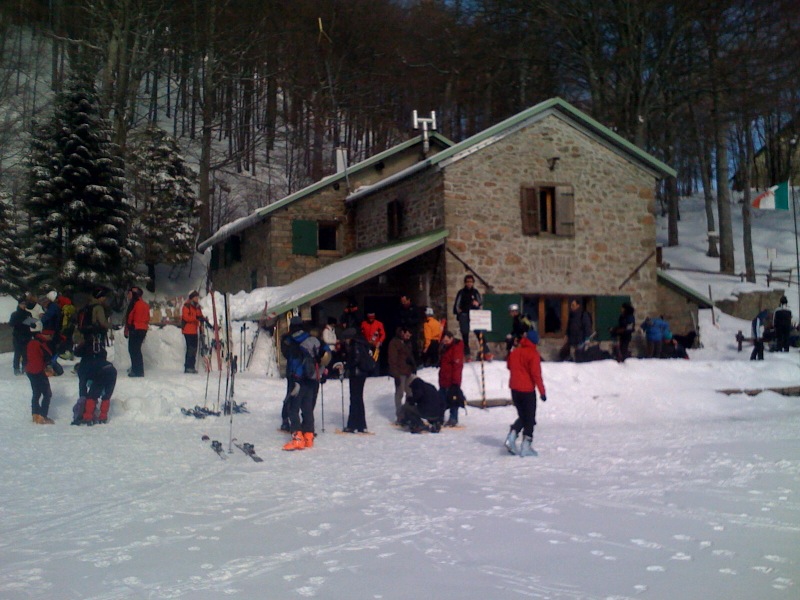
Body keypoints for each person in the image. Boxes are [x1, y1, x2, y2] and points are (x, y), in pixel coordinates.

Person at [282, 320, 328, 451]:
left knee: (293, 407)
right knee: (307, 408)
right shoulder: (313, 339)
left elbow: (291, 359)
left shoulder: (292, 340)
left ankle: (297, 438)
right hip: (312, 379)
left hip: (298, 378)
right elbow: (326, 354)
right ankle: (308, 437)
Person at [72, 287, 114, 425]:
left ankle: (81, 409)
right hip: (96, 343)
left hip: (86, 345)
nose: (105, 300)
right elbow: (102, 323)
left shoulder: (85, 308)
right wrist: (110, 326)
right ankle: (93, 412)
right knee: (99, 376)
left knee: (83, 378)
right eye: (104, 297)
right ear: (100, 297)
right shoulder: (98, 308)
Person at [505, 329, 546, 457]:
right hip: (527, 390)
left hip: (514, 389)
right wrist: (542, 392)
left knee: (523, 416)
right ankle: (526, 446)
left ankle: (512, 437)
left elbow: (509, 365)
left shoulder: (516, 351)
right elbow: (536, 374)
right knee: (529, 417)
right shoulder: (533, 354)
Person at [340, 327, 375, 433]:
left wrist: (346, 366)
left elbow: (355, 359)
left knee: (355, 399)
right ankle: (361, 425)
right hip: (362, 374)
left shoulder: (355, 345)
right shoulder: (362, 343)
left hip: (356, 374)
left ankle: (352, 425)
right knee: (358, 398)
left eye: (346, 338)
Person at [26, 329, 56, 424]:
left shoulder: (30, 341)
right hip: (39, 370)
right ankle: (43, 416)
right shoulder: (41, 343)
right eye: (50, 336)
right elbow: (48, 356)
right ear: (46, 335)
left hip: (29, 370)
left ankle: (35, 414)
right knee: (47, 394)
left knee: (36, 392)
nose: (51, 339)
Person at [388, 326, 416, 423]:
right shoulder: (394, 343)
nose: (409, 337)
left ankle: (409, 413)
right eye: (407, 334)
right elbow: (392, 360)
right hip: (399, 372)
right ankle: (400, 416)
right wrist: (395, 375)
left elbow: (410, 356)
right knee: (399, 394)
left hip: (408, 372)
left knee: (410, 393)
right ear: (402, 333)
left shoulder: (407, 342)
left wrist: (413, 367)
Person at [438, 330, 465, 427]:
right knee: (441, 400)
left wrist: (455, 382)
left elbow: (457, 366)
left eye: (446, 340)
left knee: (453, 399)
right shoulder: (445, 348)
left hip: (451, 380)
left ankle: (453, 418)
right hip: (444, 379)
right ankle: (439, 417)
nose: (445, 342)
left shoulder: (456, 348)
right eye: (443, 341)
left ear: (451, 338)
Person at [453, 274, 482, 359]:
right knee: (465, 335)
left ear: (473, 283)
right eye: (468, 282)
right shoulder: (461, 292)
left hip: (474, 315)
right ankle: (467, 355)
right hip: (464, 315)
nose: (469, 283)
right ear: (465, 283)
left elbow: (480, 302)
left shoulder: (475, 292)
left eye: (471, 282)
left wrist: (477, 304)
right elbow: (457, 305)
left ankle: (485, 351)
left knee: (479, 333)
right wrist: (459, 311)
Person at [124, 286, 150, 377]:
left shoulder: (134, 304)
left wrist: (127, 330)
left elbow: (129, 317)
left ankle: (137, 370)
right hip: (143, 329)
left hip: (135, 328)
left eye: (129, 293)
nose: (128, 296)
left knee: (133, 350)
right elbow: (147, 317)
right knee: (137, 349)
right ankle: (138, 369)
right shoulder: (145, 304)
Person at [181, 291, 208, 373]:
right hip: (188, 330)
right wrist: (196, 319)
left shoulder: (197, 307)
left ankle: (191, 366)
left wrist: (203, 318)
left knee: (194, 349)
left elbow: (199, 315)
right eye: (195, 297)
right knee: (190, 349)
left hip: (194, 330)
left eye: (197, 297)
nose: (197, 299)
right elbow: (186, 317)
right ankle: (188, 366)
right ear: (192, 298)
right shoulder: (187, 306)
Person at [10, 296, 36, 375]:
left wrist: (32, 323)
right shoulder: (15, 314)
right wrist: (21, 322)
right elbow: (11, 324)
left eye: (25, 304)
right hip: (17, 336)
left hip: (27, 336)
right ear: (19, 304)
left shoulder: (28, 314)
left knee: (26, 353)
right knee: (17, 353)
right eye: (22, 304)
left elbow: (33, 325)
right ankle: (16, 368)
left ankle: (25, 367)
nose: (24, 305)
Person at [398, 295, 421, 362]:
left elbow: (418, 319)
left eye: (404, 301)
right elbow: (398, 319)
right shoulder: (400, 308)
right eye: (402, 301)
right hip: (404, 330)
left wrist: (410, 321)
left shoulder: (414, 308)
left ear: (408, 300)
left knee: (413, 346)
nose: (403, 303)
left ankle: (416, 362)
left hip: (413, 330)